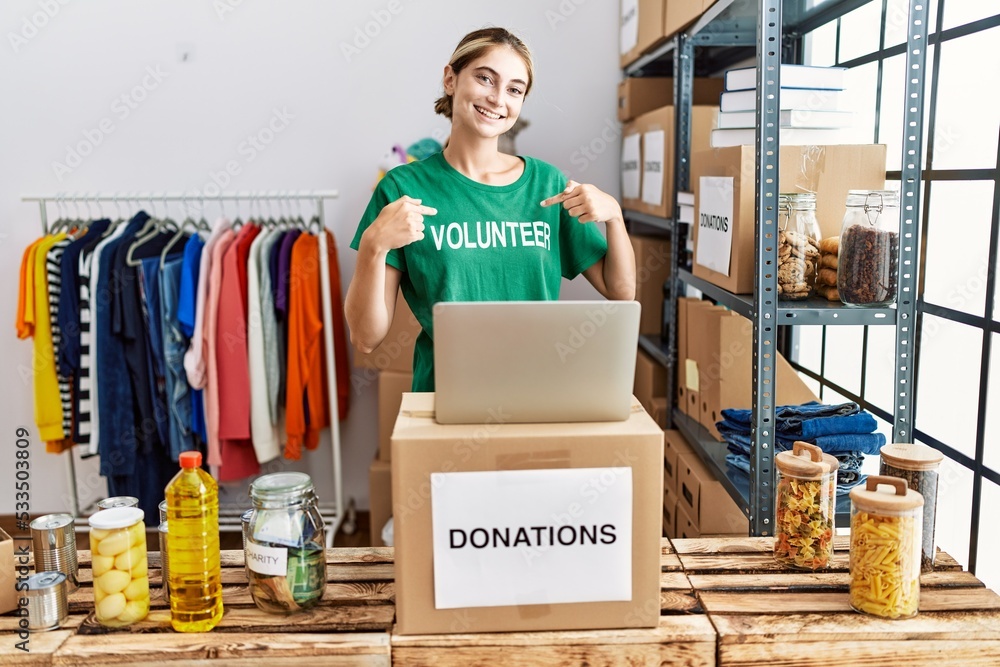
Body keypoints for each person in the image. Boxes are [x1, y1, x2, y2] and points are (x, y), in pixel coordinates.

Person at [345, 27, 636, 392]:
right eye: (485, 78)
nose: (498, 99)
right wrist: (373, 246)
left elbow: (621, 291)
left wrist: (614, 218)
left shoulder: (547, 184)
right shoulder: (403, 188)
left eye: (514, 89)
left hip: (539, 394)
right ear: (451, 79)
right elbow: (366, 338)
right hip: (446, 397)